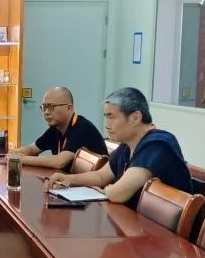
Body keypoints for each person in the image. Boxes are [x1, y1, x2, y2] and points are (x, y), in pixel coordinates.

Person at [45, 87, 191, 208]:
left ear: (135, 118)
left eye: (111, 117)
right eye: (106, 117)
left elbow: (117, 194)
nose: (107, 125)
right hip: (134, 222)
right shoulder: (127, 145)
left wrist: (107, 190)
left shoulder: (158, 144)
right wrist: (67, 179)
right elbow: (101, 177)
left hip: (160, 232)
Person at [11, 86, 106, 170]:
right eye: (44, 107)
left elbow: (59, 162)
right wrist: (12, 154)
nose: (46, 112)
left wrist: (20, 159)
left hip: (90, 184)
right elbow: (32, 149)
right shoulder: (56, 128)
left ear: (69, 108)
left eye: (51, 107)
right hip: (68, 180)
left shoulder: (82, 128)